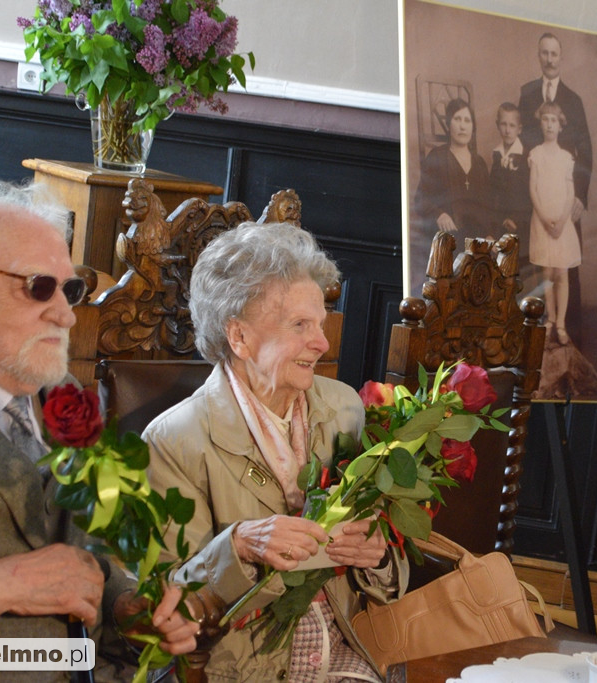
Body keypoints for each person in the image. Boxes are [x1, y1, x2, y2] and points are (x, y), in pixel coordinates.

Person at [0, 180, 199, 681]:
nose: (64, 314)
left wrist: (126, 608)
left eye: (71, 289)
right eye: (37, 286)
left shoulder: (54, 391)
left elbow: (88, 561)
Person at [144, 222, 408, 682]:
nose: (322, 344)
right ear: (239, 337)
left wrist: (377, 554)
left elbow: (388, 576)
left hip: (350, 651)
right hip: (241, 669)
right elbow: (157, 608)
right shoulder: (175, 441)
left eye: (320, 324)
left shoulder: (344, 407)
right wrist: (240, 546)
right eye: (299, 326)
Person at [410, 97, 494, 293]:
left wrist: (491, 232)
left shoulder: (479, 163)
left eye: (467, 120)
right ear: (448, 125)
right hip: (447, 239)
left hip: (476, 241)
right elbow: (420, 200)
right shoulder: (437, 157)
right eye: (457, 119)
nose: (463, 126)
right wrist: (439, 213)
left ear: (473, 126)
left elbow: (489, 206)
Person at [518, 32, 593, 221]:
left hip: (563, 189)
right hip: (531, 188)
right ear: (538, 56)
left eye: (554, 54)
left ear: (561, 58)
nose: (549, 60)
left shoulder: (574, 101)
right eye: (544, 53)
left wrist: (580, 196)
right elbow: (520, 140)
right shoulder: (527, 93)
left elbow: (585, 151)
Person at [528, 101, 581, 346]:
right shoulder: (536, 154)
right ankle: (549, 319)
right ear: (540, 124)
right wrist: (543, 217)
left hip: (562, 222)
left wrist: (561, 220)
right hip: (542, 221)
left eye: (554, 121)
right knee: (547, 272)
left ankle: (561, 324)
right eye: (545, 119)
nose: (549, 125)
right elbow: (533, 189)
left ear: (560, 126)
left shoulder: (566, 157)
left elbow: (570, 192)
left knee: (561, 272)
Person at [489, 102, 531, 239]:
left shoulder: (526, 156)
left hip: (523, 222)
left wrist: (517, 220)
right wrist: (502, 219)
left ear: (519, 129)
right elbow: (494, 193)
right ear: (497, 125)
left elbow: (529, 194)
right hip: (502, 222)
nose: (507, 130)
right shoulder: (496, 154)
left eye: (512, 125)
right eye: (503, 124)